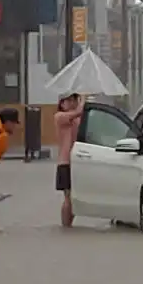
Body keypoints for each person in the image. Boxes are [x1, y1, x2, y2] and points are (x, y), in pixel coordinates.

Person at [54, 93, 85, 228]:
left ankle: (69, 226)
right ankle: (66, 226)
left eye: (74, 100)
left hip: (78, 160)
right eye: (69, 100)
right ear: (62, 103)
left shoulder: (78, 118)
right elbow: (78, 112)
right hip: (65, 162)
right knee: (68, 197)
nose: (72, 102)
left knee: (74, 197)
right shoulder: (60, 117)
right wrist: (83, 100)